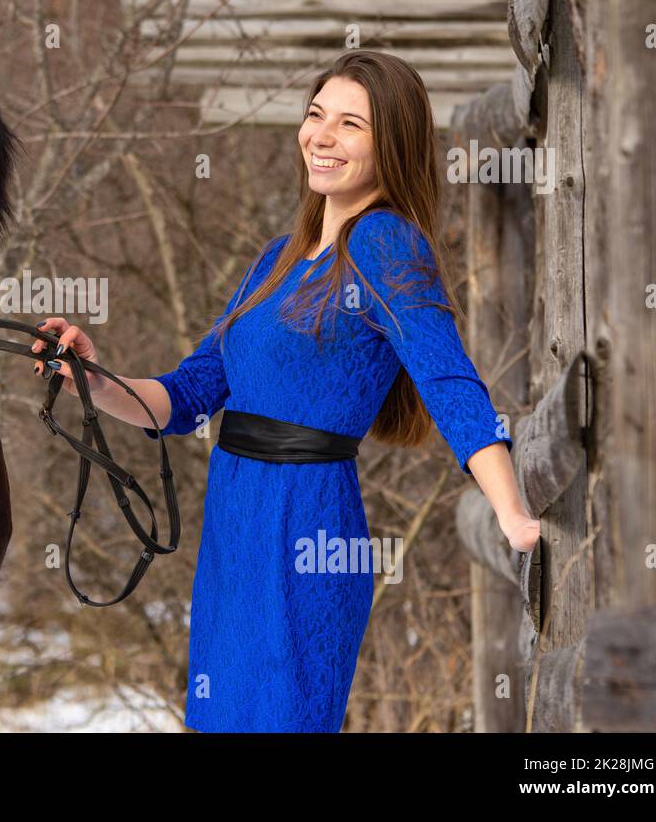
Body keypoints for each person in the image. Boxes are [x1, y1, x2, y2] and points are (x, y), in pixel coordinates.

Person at [31, 50, 540, 733]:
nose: (321, 136)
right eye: (315, 115)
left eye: (350, 124)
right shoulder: (276, 259)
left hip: (305, 524)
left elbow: (448, 377)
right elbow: (185, 398)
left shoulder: (385, 244)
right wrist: (92, 378)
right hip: (235, 524)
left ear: (391, 144)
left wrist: (510, 511)